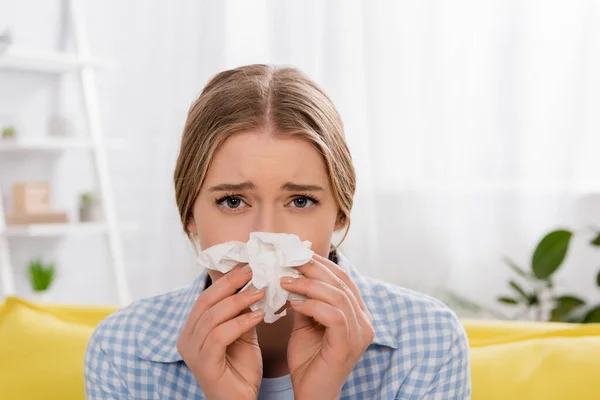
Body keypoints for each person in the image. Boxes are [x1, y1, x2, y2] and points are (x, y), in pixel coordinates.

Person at [84, 64, 471, 399]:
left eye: (300, 201)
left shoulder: (427, 343)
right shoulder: (123, 350)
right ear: (190, 217)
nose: (265, 235)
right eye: (233, 201)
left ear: (339, 215)